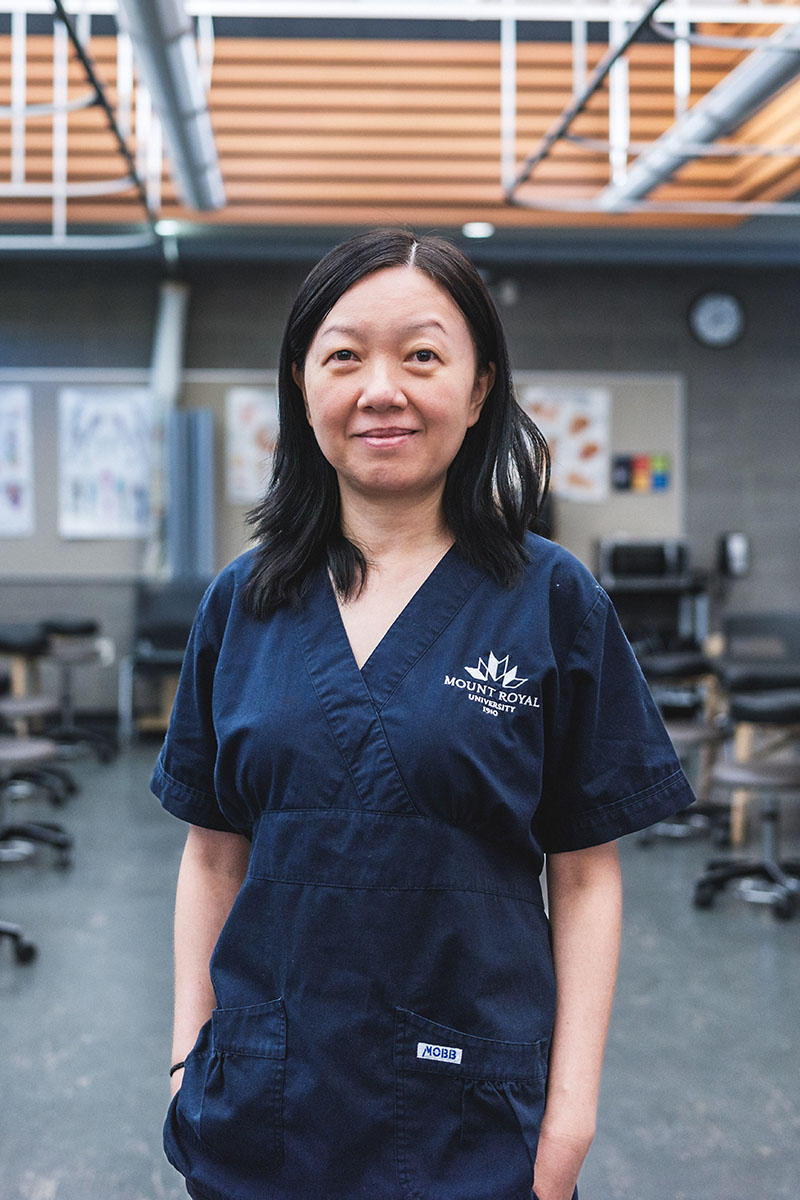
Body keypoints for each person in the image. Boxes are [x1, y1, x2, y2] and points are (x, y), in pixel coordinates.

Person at [151, 228, 694, 1200]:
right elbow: (210, 854)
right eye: (344, 355)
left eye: (422, 355)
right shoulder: (242, 603)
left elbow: (582, 879)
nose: (380, 390)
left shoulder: (550, 599)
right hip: (259, 1102)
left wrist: (568, 1116)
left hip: (470, 1119)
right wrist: (188, 1053)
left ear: (479, 388)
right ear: (302, 381)